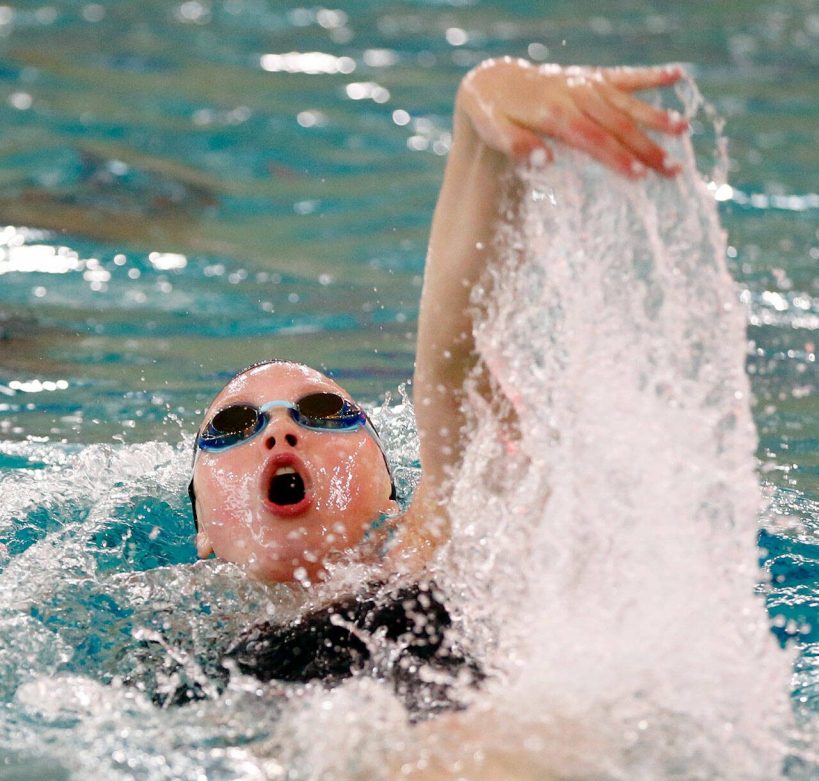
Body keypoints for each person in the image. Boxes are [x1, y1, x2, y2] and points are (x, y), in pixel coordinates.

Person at [183, 58, 688, 713]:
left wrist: (480, 117)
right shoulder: (176, 669)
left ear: (388, 496)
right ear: (201, 533)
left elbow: (453, 366)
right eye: (233, 427)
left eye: (322, 412)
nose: (281, 429)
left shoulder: (430, 549)